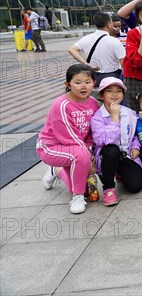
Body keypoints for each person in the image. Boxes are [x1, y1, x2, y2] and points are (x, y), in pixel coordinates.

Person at [37, 64, 99, 214]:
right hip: (51, 147)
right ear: (68, 84)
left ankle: (56, 171)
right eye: (77, 82)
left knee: (85, 184)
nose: (83, 86)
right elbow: (67, 136)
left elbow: (93, 129)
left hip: (76, 148)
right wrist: (89, 155)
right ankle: (77, 197)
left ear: (94, 83)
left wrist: (90, 148)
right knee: (82, 159)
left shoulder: (93, 102)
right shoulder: (61, 105)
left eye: (87, 82)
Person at [91, 78, 142, 206]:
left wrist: (136, 147)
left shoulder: (129, 113)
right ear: (102, 95)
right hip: (108, 155)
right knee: (111, 150)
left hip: (125, 154)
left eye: (118, 91)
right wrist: (114, 119)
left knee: (135, 186)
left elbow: (134, 134)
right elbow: (102, 141)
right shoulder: (97, 117)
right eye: (109, 91)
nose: (115, 94)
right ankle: (108, 187)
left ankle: (119, 172)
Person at [68, 12, 124, 86]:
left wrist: (86, 64)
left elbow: (72, 49)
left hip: (92, 76)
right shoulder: (114, 41)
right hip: (111, 77)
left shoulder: (86, 38)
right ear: (108, 24)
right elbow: (124, 63)